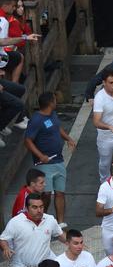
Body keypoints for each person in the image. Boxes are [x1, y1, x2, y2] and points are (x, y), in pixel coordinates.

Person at [0, 193, 65, 267]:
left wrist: (72, 243)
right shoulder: (15, 222)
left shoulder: (50, 220)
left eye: (41, 207)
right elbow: (3, 238)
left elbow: (60, 234)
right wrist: (6, 248)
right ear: (27, 208)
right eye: (35, 207)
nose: (39, 210)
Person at [24, 92, 75, 225]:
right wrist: (40, 155)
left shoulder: (52, 114)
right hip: (44, 163)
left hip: (58, 160)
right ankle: (41, 219)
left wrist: (68, 138)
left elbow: (57, 127)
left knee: (60, 192)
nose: (56, 101)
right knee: (46, 194)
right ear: (50, 103)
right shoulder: (36, 120)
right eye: (54, 100)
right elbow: (28, 140)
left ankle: (60, 222)